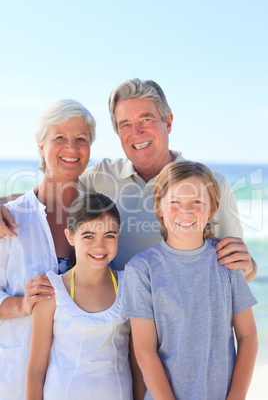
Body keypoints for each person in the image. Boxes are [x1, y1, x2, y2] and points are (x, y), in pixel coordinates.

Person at [0, 78, 256, 281]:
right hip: (125, 329)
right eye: (125, 125)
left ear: (168, 122)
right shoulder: (100, 178)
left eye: (146, 119)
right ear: (117, 133)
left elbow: (240, 270)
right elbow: (53, 194)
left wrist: (249, 265)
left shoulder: (211, 185)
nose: (137, 133)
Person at [120, 161, 258, 400]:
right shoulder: (142, 270)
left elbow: (248, 337)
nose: (186, 211)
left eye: (196, 202)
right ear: (160, 207)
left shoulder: (227, 262)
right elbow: (144, 351)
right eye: (175, 202)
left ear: (212, 209)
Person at [0, 99, 96, 399]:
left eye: (81, 139)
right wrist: (21, 305)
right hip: (16, 379)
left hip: (82, 382)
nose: (72, 147)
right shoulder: (10, 218)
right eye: (60, 138)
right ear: (41, 146)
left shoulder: (100, 218)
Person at [26, 193, 144, 400]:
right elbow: (36, 371)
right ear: (70, 237)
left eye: (109, 235)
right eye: (88, 236)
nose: (99, 246)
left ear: (119, 234)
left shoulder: (130, 287)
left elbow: (138, 365)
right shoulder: (52, 291)